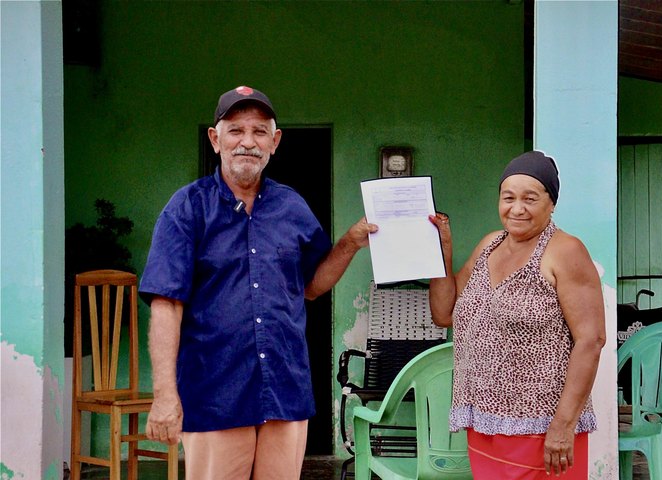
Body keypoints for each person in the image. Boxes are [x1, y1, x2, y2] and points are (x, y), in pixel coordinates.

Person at [139, 85, 377, 480]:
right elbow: (167, 304)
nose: (247, 142)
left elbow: (312, 286)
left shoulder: (292, 207)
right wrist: (165, 394)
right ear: (215, 140)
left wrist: (350, 244)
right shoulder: (187, 208)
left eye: (259, 131)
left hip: (284, 388)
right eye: (235, 130)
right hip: (215, 392)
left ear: (274, 141)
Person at [428, 150, 606, 479]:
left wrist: (563, 426)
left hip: (543, 427)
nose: (517, 208)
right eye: (508, 197)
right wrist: (441, 248)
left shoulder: (565, 251)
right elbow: (444, 313)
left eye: (530, 198)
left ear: (551, 203)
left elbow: (590, 340)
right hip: (485, 422)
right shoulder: (490, 245)